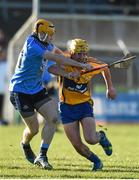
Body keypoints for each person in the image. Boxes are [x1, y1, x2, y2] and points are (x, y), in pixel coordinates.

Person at [9, 19, 93, 170]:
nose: (52, 38)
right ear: (41, 34)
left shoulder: (45, 44)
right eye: (49, 35)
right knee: (33, 129)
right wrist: (81, 65)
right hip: (20, 91)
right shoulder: (32, 46)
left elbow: (59, 53)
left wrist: (70, 70)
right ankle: (25, 144)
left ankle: (42, 155)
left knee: (53, 118)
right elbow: (55, 58)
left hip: (36, 89)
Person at [48, 38, 116, 171]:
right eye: (79, 53)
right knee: (77, 145)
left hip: (84, 104)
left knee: (90, 138)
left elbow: (105, 68)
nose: (82, 56)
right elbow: (51, 68)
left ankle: (101, 136)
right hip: (66, 107)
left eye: (84, 53)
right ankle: (96, 161)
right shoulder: (65, 60)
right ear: (72, 53)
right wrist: (68, 74)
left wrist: (110, 88)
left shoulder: (91, 62)